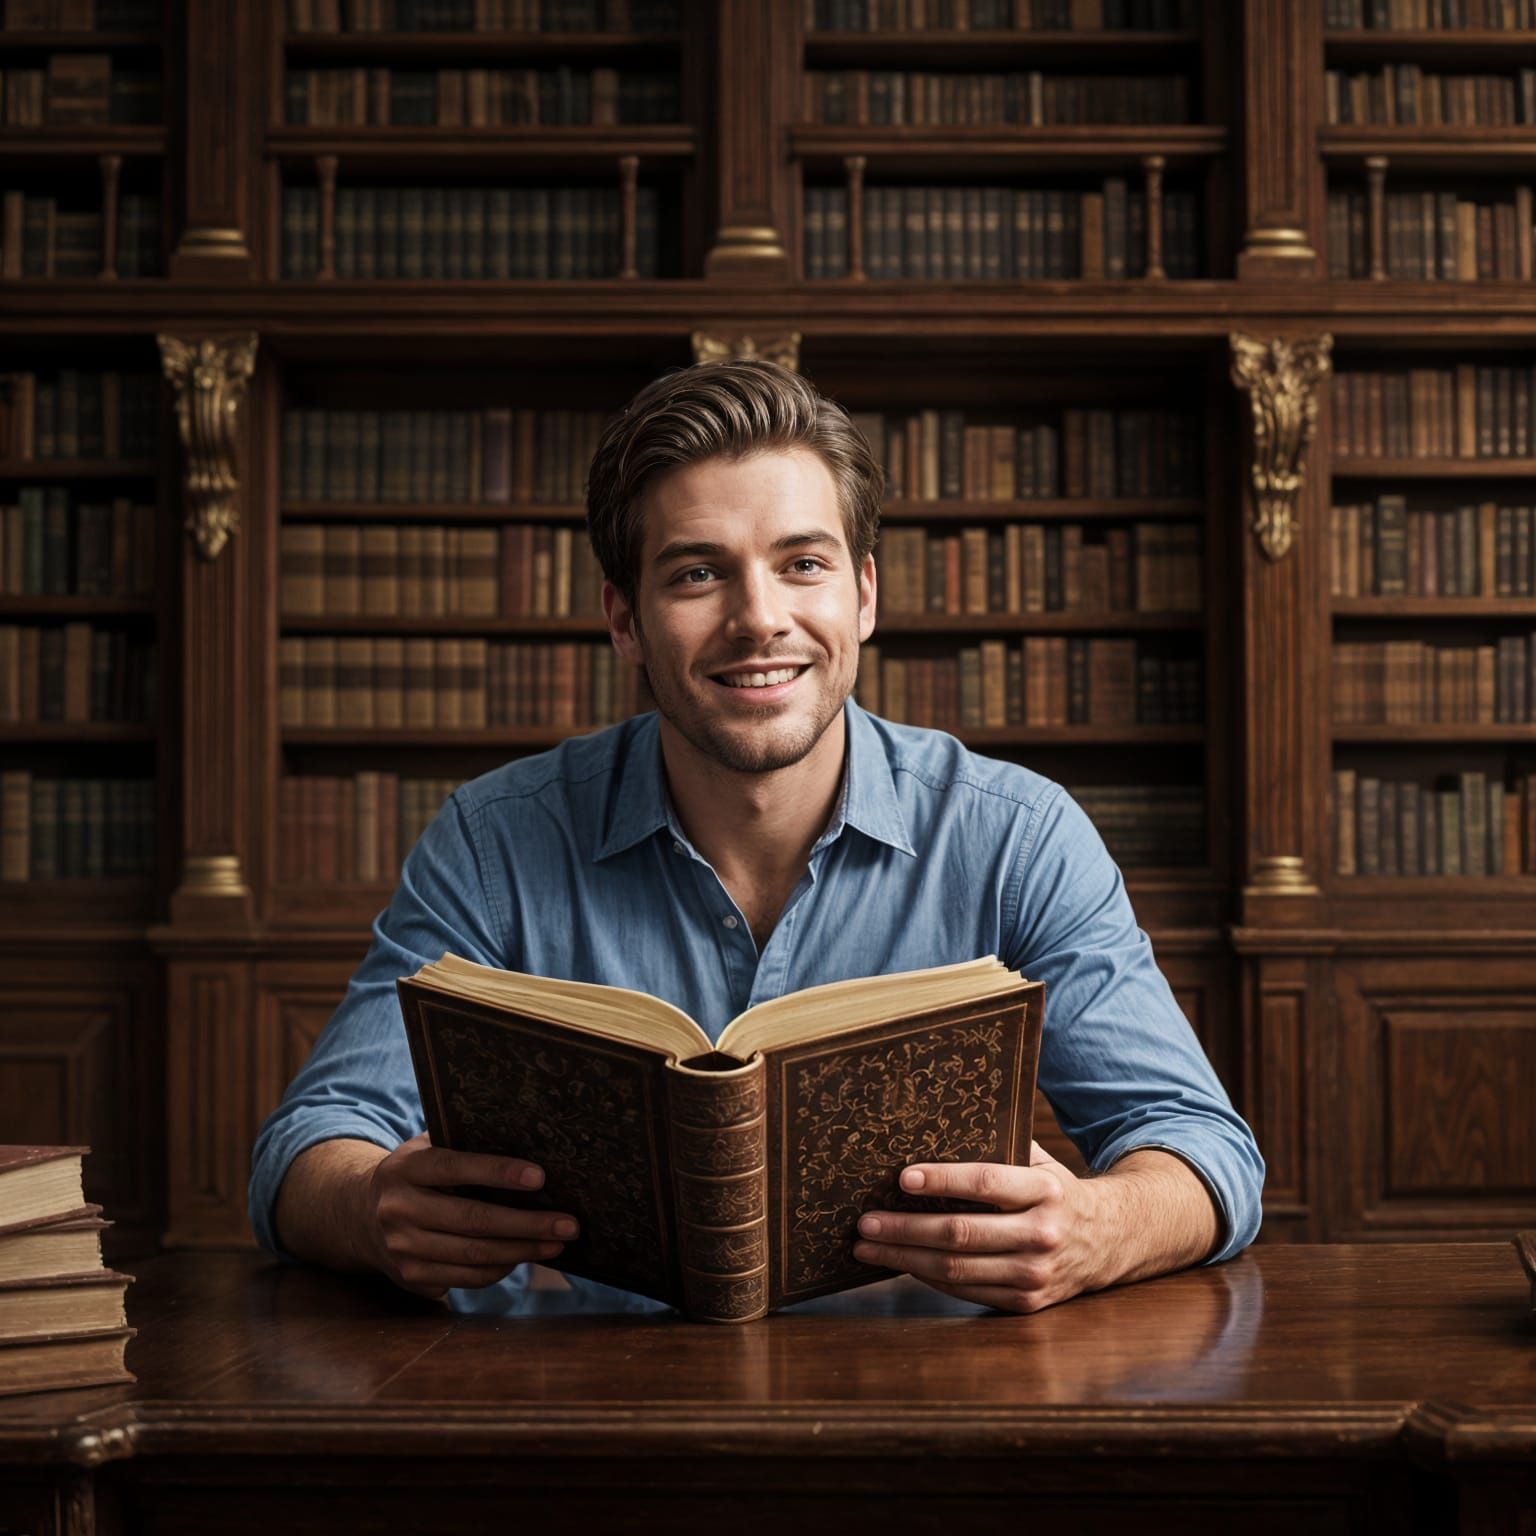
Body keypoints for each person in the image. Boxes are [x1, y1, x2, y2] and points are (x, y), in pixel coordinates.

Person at [250, 359, 1264, 1317]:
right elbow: (303, 1150)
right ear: (624, 620)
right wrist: (372, 1209)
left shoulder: (1017, 837)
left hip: (931, 1400)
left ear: (863, 595)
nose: (759, 619)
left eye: (803, 564)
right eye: (698, 574)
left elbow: (1201, 1149)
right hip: (595, 1402)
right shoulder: (491, 843)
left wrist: (1099, 1226)